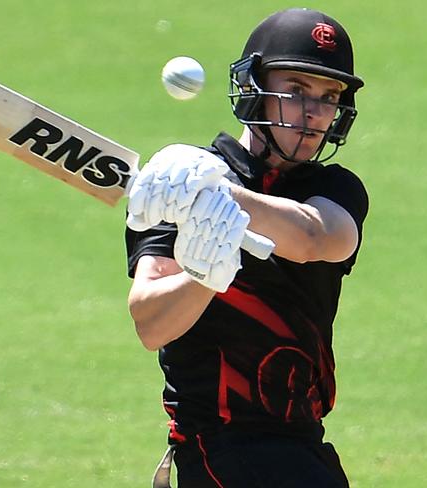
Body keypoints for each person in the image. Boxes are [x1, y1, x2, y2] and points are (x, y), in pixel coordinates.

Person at [125, 7, 368, 487]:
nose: (314, 112)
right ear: (254, 87)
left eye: (328, 96)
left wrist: (222, 196)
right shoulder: (173, 189)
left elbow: (320, 238)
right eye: (296, 91)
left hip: (304, 445)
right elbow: (150, 323)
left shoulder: (334, 188)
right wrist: (202, 277)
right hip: (218, 449)